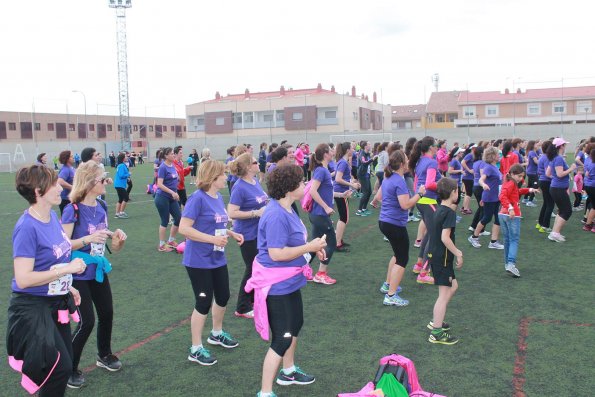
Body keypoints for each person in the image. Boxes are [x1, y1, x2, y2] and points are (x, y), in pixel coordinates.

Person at [245, 164, 326, 397]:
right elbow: (276, 254)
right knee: (281, 338)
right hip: (277, 285)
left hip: (289, 281)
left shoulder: (288, 208)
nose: (305, 185)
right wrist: (309, 246)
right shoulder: (276, 215)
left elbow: (292, 245)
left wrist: (311, 251)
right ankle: (265, 392)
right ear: (290, 188)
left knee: (296, 324)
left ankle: (288, 371)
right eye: (301, 182)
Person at [7, 164, 86, 396]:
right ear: (39, 191)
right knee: (57, 369)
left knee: (64, 363)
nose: (59, 186)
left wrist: (67, 286)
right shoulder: (26, 227)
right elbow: (23, 279)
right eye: (53, 183)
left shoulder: (51, 215)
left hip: (54, 301)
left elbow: (54, 255)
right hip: (32, 307)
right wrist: (66, 271)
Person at [61, 161, 127, 388]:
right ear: (90, 183)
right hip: (78, 273)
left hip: (97, 269)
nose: (106, 182)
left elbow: (110, 245)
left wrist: (116, 239)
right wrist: (87, 240)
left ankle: (104, 354)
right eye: (102, 179)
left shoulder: (101, 205)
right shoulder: (72, 209)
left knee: (107, 312)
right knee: (86, 322)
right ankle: (68, 369)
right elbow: (63, 245)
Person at [178, 159, 243, 366]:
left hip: (216, 257)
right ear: (213, 178)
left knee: (223, 295)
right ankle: (195, 348)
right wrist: (213, 239)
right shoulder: (197, 198)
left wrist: (231, 233)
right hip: (198, 261)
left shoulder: (217, 196)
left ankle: (216, 333)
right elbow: (184, 228)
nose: (227, 177)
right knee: (203, 302)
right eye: (223, 174)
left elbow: (217, 223)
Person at [378, 150, 426, 307]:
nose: (408, 162)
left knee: (397, 254)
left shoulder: (389, 177)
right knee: (402, 258)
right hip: (393, 224)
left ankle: (387, 285)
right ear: (402, 164)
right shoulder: (398, 180)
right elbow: (405, 205)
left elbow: (380, 197)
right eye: (406, 160)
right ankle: (391, 295)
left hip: (386, 222)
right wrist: (419, 194)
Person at [227, 153, 268, 319]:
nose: (259, 164)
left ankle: (252, 300)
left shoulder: (255, 181)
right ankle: (242, 307)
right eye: (255, 162)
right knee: (251, 269)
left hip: (260, 233)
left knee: (259, 268)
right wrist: (255, 213)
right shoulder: (239, 187)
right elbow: (232, 212)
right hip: (247, 235)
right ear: (248, 167)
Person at [428, 178, 463, 345]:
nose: (459, 193)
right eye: (457, 190)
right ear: (453, 193)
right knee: (443, 295)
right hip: (443, 258)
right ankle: (436, 332)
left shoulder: (440, 209)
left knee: (453, 287)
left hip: (438, 257)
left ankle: (437, 319)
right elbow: (445, 238)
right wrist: (458, 253)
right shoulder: (449, 213)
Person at [409, 136, 441, 284]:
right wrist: (445, 184)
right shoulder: (432, 162)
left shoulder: (420, 161)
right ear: (431, 148)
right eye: (436, 145)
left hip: (421, 200)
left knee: (429, 233)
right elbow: (429, 184)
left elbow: (418, 183)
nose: (438, 148)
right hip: (428, 201)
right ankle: (423, 273)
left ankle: (419, 264)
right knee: (435, 236)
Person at [498, 164, 539, 278]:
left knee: (507, 240)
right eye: (519, 176)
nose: (521, 179)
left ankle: (507, 264)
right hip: (512, 215)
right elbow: (502, 196)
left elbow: (516, 192)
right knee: (514, 240)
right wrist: (510, 208)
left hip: (503, 214)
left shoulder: (510, 183)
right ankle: (511, 263)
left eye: (522, 176)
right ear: (512, 174)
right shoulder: (511, 183)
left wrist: (530, 189)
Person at [308, 143, 338, 285]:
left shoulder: (323, 170)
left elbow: (325, 191)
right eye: (331, 150)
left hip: (318, 214)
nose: (333, 152)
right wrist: (326, 207)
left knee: (313, 246)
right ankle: (320, 274)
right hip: (320, 214)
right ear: (326, 154)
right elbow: (313, 191)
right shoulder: (321, 170)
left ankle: (301, 270)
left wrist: (341, 194)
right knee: (331, 243)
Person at [469, 147, 504, 250]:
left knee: (498, 219)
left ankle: (493, 241)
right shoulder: (488, 167)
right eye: (498, 154)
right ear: (492, 156)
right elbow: (481, 179)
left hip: (496, 197)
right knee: (487, 218)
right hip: (489, 197)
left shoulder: (495, 167)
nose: (499, 156)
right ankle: (474, 237)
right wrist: (483, 185)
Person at [545, 137, 576, 242]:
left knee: (562, 210)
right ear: (561, 146)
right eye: (564, 145)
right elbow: (559, 174)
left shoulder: (555, 157)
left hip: (556, 187)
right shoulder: (558, 158)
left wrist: (561, 178)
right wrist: (571, 169)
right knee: (567, 211)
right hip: (558, 189)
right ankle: (555, 233)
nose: (565, 146)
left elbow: (548, 173)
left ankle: (554, 233)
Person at [333, 142, 360, 252]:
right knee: (344, 218)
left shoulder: (342, 161)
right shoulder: (343, 162)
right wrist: (351, 184)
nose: (353, 150)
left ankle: (339, 240)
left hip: (342, 192)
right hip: (340, 193)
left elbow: (341, 177)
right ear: (347, 150)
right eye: (352, 148)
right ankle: (337, 243)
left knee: (344, 217)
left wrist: (352, 181)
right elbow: (338, 179)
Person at [154, 147, 182, 252]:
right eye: (171, 154)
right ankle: (161, 245)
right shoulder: (162, 167)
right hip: (162, 197)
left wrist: (176, 191)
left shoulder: (172, 165)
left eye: (174, 154)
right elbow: (159, 184)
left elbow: (174, 181)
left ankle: (171, 240)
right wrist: (172, 192)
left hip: (172, 197)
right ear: (166, 156)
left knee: (179, 218)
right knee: (165, 220)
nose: (173, 155)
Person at [536, 140, 554, 233]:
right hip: (546, 181)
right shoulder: (547, 157)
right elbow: (548, 173)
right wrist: (557, 177)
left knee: (546, 203)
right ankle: (545, 226)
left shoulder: (543, 156)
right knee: (550, 204)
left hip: (543, 181)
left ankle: (540, 223)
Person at [356, 141, 375, 216]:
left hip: (366, 175)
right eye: (369, 144)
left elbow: (368, 165)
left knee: (369, 192)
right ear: (365, 146)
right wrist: (372, 159)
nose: (370, 145)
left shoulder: (367, 154)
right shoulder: (362, 154)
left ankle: (364, 208)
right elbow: (364, 162)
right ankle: (359, 211)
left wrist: (370, 172)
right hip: (362, 175)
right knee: (365, 192)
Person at [57, 150, 75, 215]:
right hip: (65, 200)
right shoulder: (65, 169)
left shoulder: (71, 168)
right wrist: (73, 187)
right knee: (67, 221)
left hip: (71, 198)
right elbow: (60, 181)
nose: (73, 158)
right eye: (71, 156)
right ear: (67, 158)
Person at [582, 143, 595, 232]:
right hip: (593, 185)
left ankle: (588, 224)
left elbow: (586, 172)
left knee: (593, 205)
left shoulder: (587, 159)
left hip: (587, 185)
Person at [114, 152, 131, 219]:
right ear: (123, 158)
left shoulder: (121, 165)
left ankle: (117, 213)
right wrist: (128, 174)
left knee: (120, 199)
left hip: (119, 184)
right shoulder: (121, 165)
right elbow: (121, 175)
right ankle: (121, 212)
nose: (127, 157)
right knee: (126, 198)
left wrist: (127, 178)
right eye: (126, 156)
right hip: (119, 184)